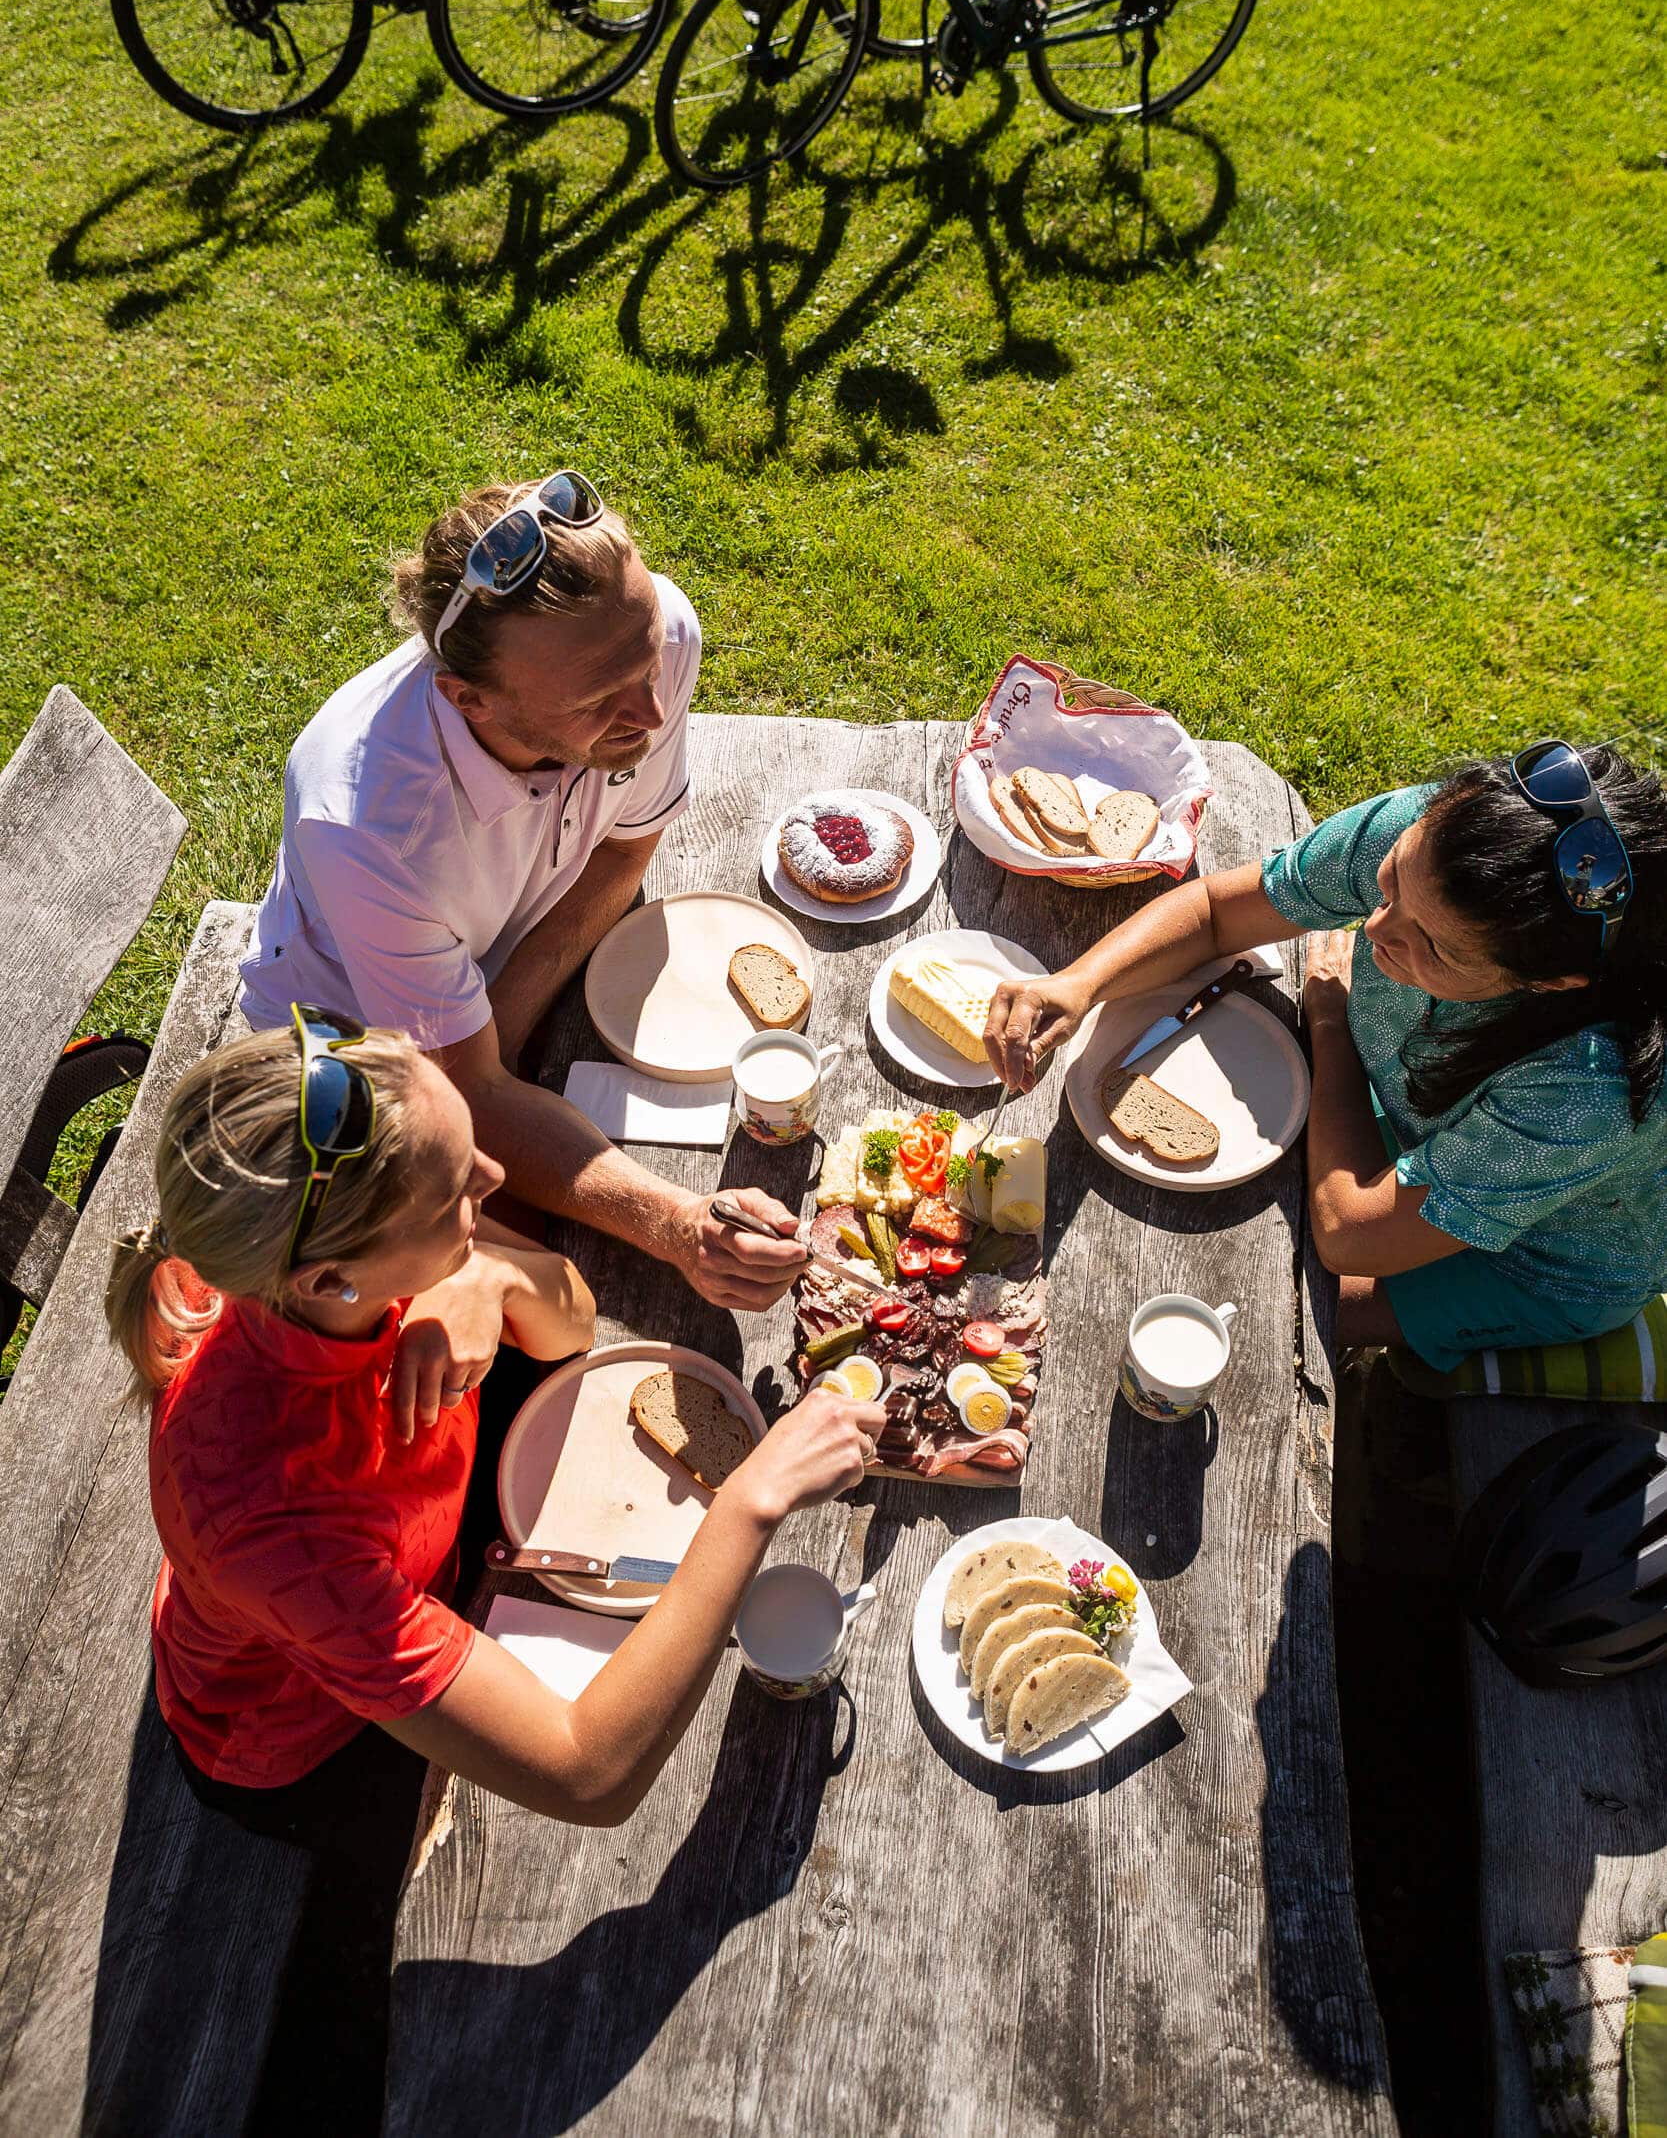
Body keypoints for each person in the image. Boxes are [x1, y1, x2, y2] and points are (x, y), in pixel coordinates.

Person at [108, 1012, 882, 1822]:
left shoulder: (317, 1268)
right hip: (305, 1735)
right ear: (332, 1279)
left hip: (428, 1555)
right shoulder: (275, 1524)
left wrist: (485, 1277)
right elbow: (588, 1776)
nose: (490, 1174)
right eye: (452, 1193)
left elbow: (572, 1319)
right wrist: (751, 1500)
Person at [239, 473, 806, 1317]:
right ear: (468, 699)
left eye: (650, 659)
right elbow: (460, 1091)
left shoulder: (645, 640)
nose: (650, 714)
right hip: (358, 1054)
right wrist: (679, 1224)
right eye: (598, 703)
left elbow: (625, 841)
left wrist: (503, 1018)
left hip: (503, 986)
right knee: (529, 1307)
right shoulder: (368, 828)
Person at [983, 741, 1667, 1370]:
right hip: (1399, 1124)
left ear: (1547, 983)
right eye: (1390, 880)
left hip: (1532, 1263)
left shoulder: (1589, 1093)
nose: (1373, 925)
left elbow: (1350, 1234)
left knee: (1248, 1319)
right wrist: (1077, 984)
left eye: (1431, 946)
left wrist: (1330, 1028)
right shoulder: (1432, 842)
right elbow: (1218, 912)